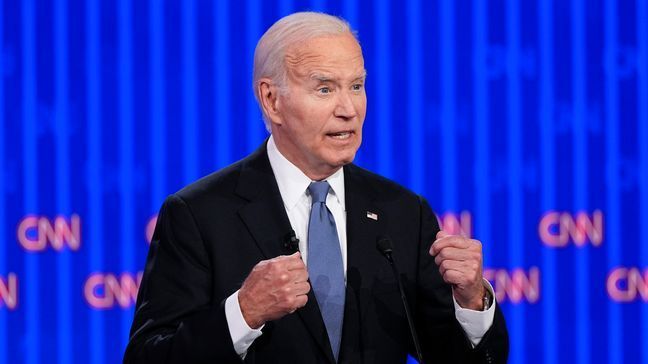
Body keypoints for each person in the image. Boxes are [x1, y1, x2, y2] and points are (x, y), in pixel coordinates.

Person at [124, 12, 508, 364]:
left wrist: (473, 301)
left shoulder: (403, 212)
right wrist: (243, 312)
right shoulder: (200, 215)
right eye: (325, 89)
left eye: (356, 86)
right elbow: (148, 358)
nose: (349, 109)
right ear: (271, 100)